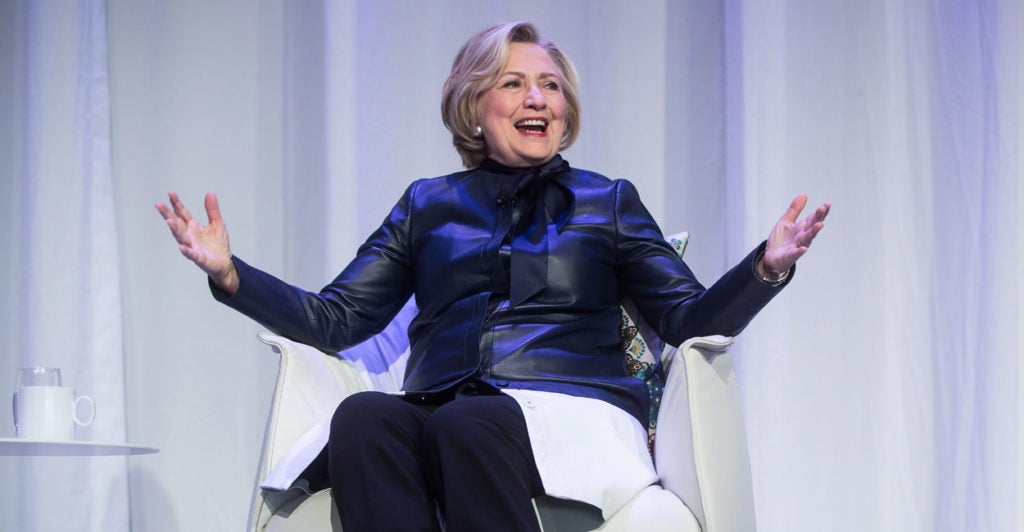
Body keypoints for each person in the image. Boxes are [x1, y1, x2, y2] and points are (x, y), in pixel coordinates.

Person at [156, 21, 829, 532]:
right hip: (443, 408)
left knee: (468, 424)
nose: (538, 98)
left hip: (572, 412)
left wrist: (764, 269)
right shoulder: (427, 205)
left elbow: (685, 318)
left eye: (551, 85)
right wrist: (232, 275)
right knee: (362, 417)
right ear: (474, 106)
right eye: (513, 83)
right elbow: (339, 319)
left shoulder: (608, 201)